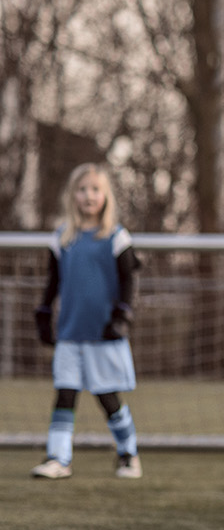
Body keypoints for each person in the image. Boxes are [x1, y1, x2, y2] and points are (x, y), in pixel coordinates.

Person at [31, 163, 143, 480]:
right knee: (65, 394)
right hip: (70, 333)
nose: (89, 195)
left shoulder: (117, 237)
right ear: (73, 196)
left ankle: (128, 453)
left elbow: (130, 280)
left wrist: (123, 317)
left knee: (108, 398)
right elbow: (53, 281)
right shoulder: (62, 238)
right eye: (82, 189)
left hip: (104, 334)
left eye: (95, 189)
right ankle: (58, 459)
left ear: (106, 196)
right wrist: (43, 312)